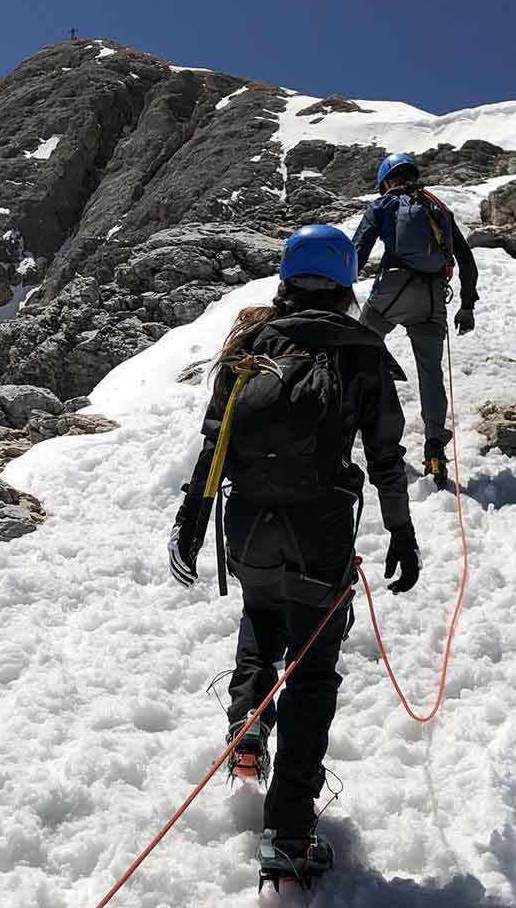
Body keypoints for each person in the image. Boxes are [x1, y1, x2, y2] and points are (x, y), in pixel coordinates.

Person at [168, 224, 420, 883]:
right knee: (310, 673)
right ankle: (290, 833)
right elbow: (387, 458)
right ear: (343, 284)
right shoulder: (360, 353)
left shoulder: (250, 346)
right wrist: (402, 532)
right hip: (320, 532)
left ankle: (247, 732)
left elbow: (213, 446)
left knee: (261, 619)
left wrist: (190, 523)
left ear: (285, 278)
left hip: (247, 526)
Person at [353, 153, 479, 485]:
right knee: (430, 374)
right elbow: (465, 259)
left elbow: (357, 251)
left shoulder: (383, 205)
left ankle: (341, 426)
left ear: (385, 181)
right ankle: (435, 450)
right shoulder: (436, 207)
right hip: (432, 298)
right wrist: (467, 305)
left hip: (393, 290)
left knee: (354, 348)